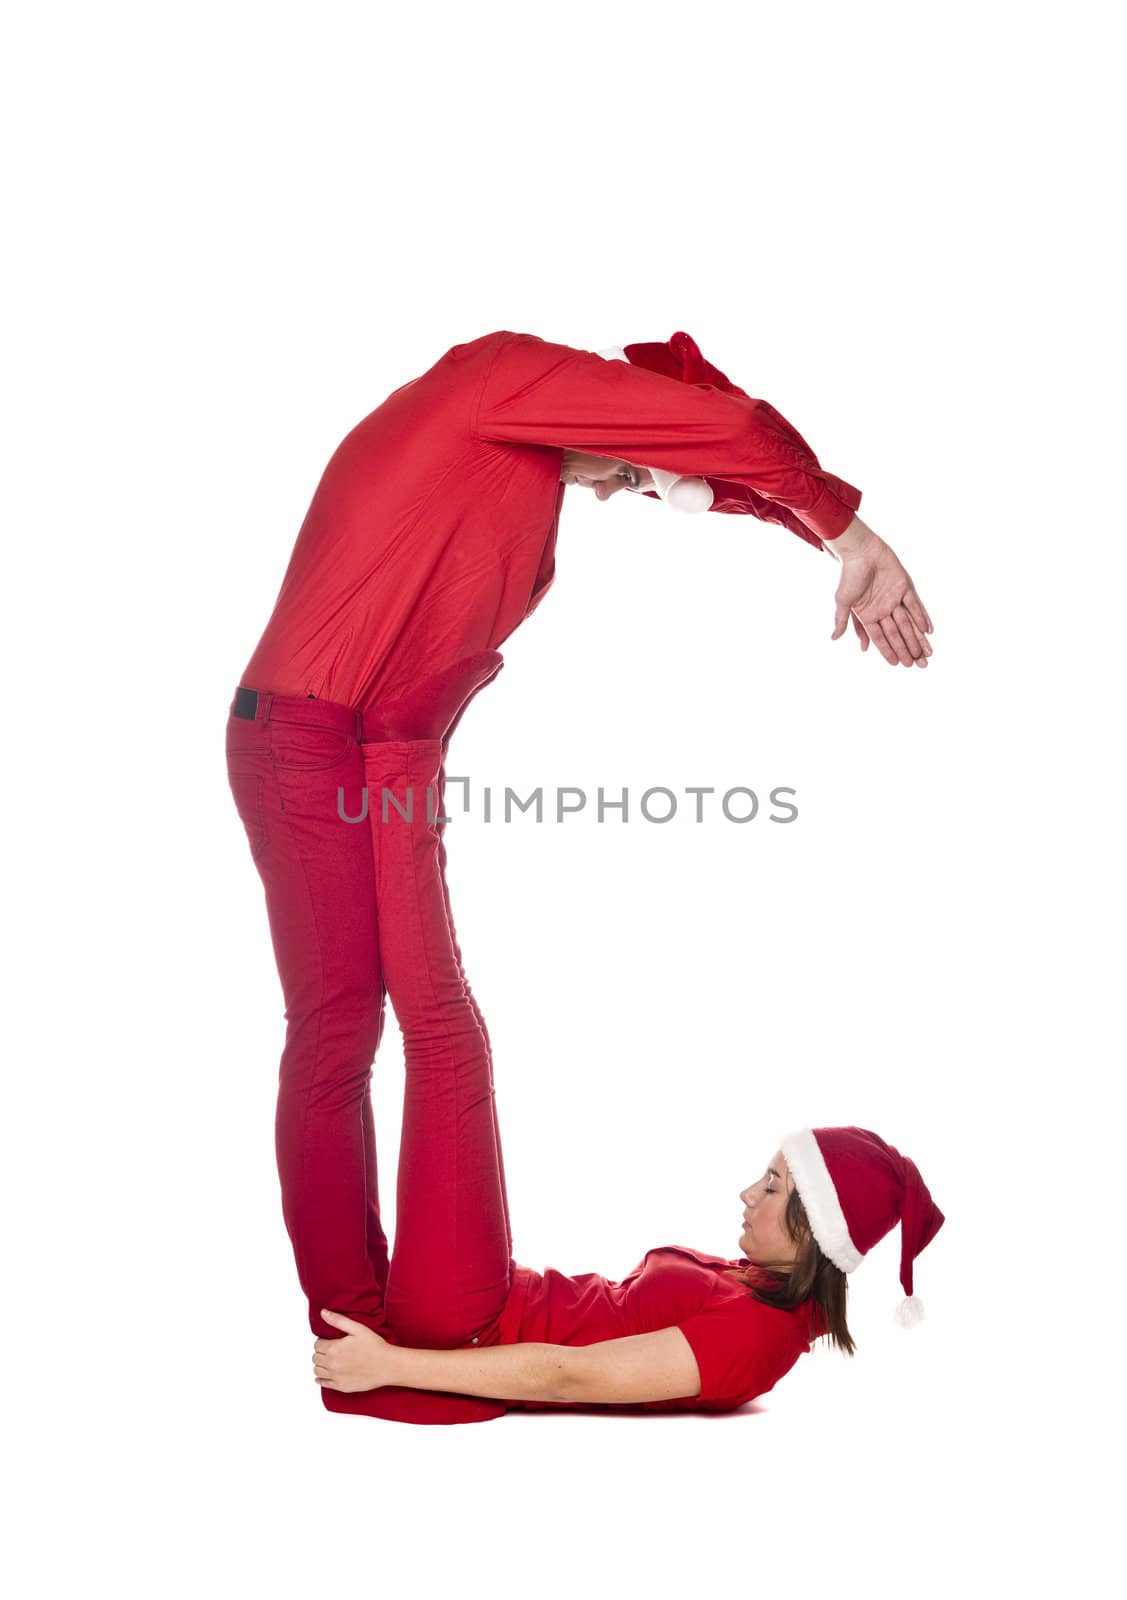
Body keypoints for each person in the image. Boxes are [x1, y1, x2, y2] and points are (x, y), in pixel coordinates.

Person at [224, 330, 936, 1420]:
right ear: (621, 407)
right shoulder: (502, 378)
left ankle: (357, 1332)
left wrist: (819, 534)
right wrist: (851, 526)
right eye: (633, 464)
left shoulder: (531, 444)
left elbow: (725, 465)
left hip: (368, 739)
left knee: (362, 1026)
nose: (620, 492)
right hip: (317, 735)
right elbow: (728, 434)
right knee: (346, 1026)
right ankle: (348, 1327)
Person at [298, 656, 944, 1422]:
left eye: (772, 1188)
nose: (746, 1192)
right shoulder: (752, 1289)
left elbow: (568, 1378)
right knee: (374, 1034)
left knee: (445, 1039)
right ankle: (379, 750)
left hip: (470, 1321)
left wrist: (391, 1367)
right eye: (764, 1177)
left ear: (817, 1231)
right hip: (485, 1296)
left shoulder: (755, 1340)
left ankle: (402, 744)